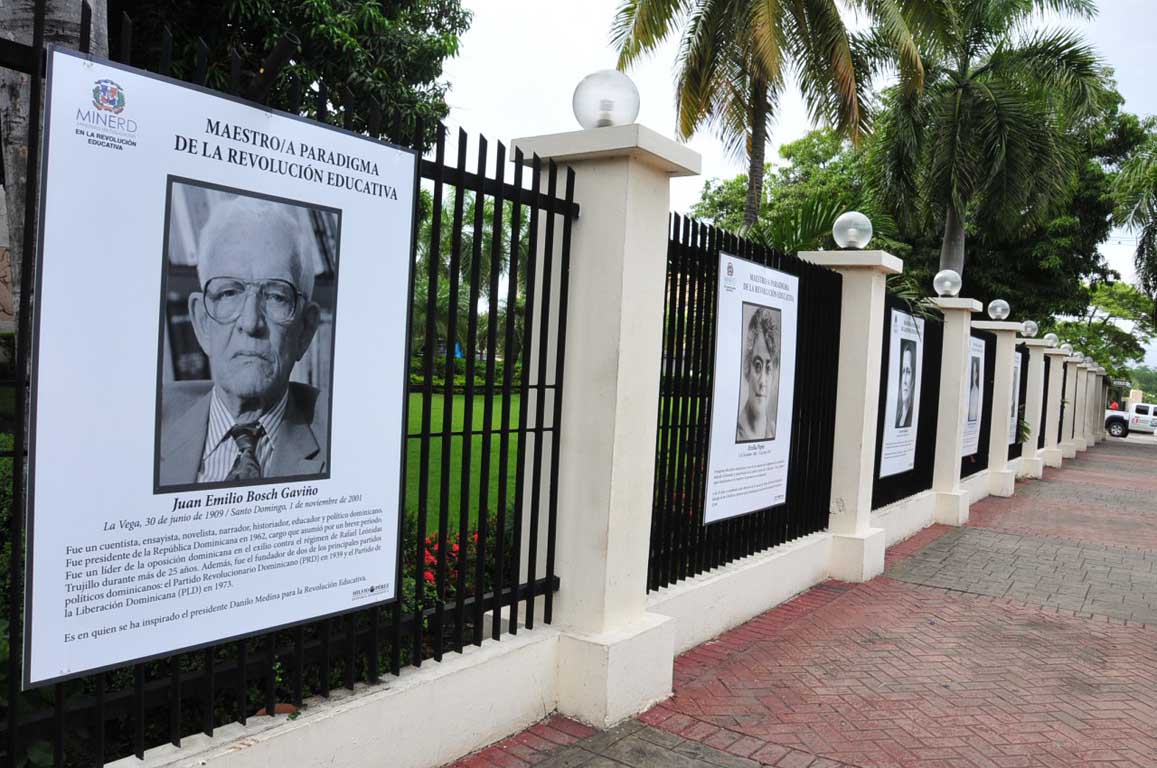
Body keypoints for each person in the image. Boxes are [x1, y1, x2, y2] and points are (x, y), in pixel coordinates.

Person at [158, 195, 327, 487]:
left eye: (276, 296)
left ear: (305, 330)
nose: (250, 323)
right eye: (229, 293)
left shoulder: (340, 436)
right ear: (201, 322)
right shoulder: (145, 425)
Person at [736, 306, 778, 442]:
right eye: (758, 366)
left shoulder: (774, 430)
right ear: (748, 367)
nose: (763, 381)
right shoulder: (735, 433)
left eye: (768, 368)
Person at [895, 343, 915, 429]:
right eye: (903, 371)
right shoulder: (896, 412)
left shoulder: (913, 414)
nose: (904, 381)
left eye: (908, 372)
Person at [967, 357, 981, 422]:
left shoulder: (976, 391)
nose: (973, 375)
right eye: (972, 372)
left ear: (976, 375)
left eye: (975, 372)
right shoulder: (968, 387)